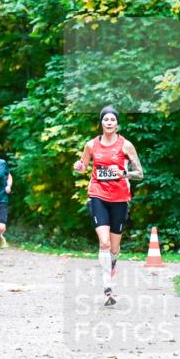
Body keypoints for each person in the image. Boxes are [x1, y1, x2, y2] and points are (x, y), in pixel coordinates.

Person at [72, 106, 144, 306]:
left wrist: (123, 173)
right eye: (106, 119)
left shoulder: (126, 145)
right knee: (104, 243)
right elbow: (83, 166)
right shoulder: (91, 145)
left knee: (113, 248)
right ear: (101, 123)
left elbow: (140, 173)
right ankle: (107, 289)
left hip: (120, 198)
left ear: (117, 124)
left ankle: (111, 267)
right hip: (98, 195)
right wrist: (79, 167)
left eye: (113, 119)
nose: (109, 122)